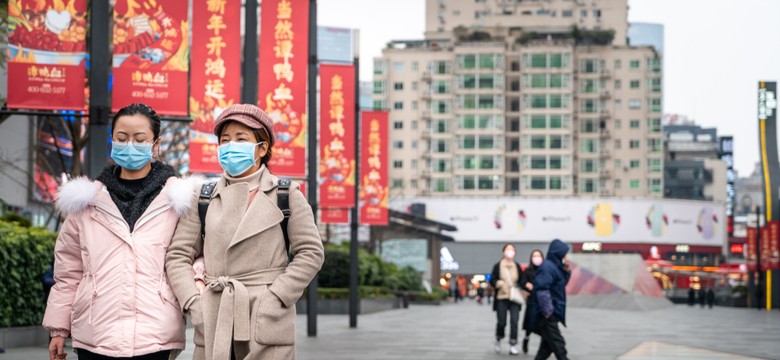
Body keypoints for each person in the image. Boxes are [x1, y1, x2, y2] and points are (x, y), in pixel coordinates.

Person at [166, 104, 325, 360]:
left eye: (241, 139)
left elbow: (311, 253)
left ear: (262, 148)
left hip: (266, 317)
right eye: (225, 140)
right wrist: (195, 303)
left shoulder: (286, 194)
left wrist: (276, 297)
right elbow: (178, 255)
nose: (231, 146)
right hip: (215, 313)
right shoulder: (202, 196)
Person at [43, 103, 200, 360]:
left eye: (139, 139)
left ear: (155, 143)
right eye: (121, 138)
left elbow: (195, 257)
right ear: (112, 140)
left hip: (155, 333)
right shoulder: (86, 203)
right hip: (95, 333)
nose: (129, 145)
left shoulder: (179, 202)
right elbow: (68, 272)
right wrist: (58, 329)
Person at [529, 239, 571, 360]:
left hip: (551, 313)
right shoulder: (547, 267)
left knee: (546, 347)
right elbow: (542, 290)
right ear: (558, 253)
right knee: (559, 345)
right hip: (547, 315)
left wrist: (566, 271)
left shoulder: (555, 267)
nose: (566, 256)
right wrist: (548, 312)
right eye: (564, 253)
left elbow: (561, 285)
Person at [489, 243, 524, 355]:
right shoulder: (498, 265)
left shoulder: (517, 266)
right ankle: (499, 338)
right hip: (501, 297)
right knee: (501, 321)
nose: (510, 251)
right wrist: (498, 283)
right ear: (503, 252)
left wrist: (522, 286)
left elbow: (522, 281)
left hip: (514, 297)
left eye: (512, 250)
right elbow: (492, 279)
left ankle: (513, 344)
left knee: (514, 321)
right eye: (508, 249)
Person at [520, 249, 544, 354]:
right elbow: (522, 282)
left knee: (543, 324)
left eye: (538, 256)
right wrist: (526, 285)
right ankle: (526, 338)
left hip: (543, 301)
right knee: (530, 323)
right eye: (534, 256)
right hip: (532, 300)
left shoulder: (545, 270)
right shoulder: (528, 270)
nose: (536, 258)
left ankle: (544, 345)